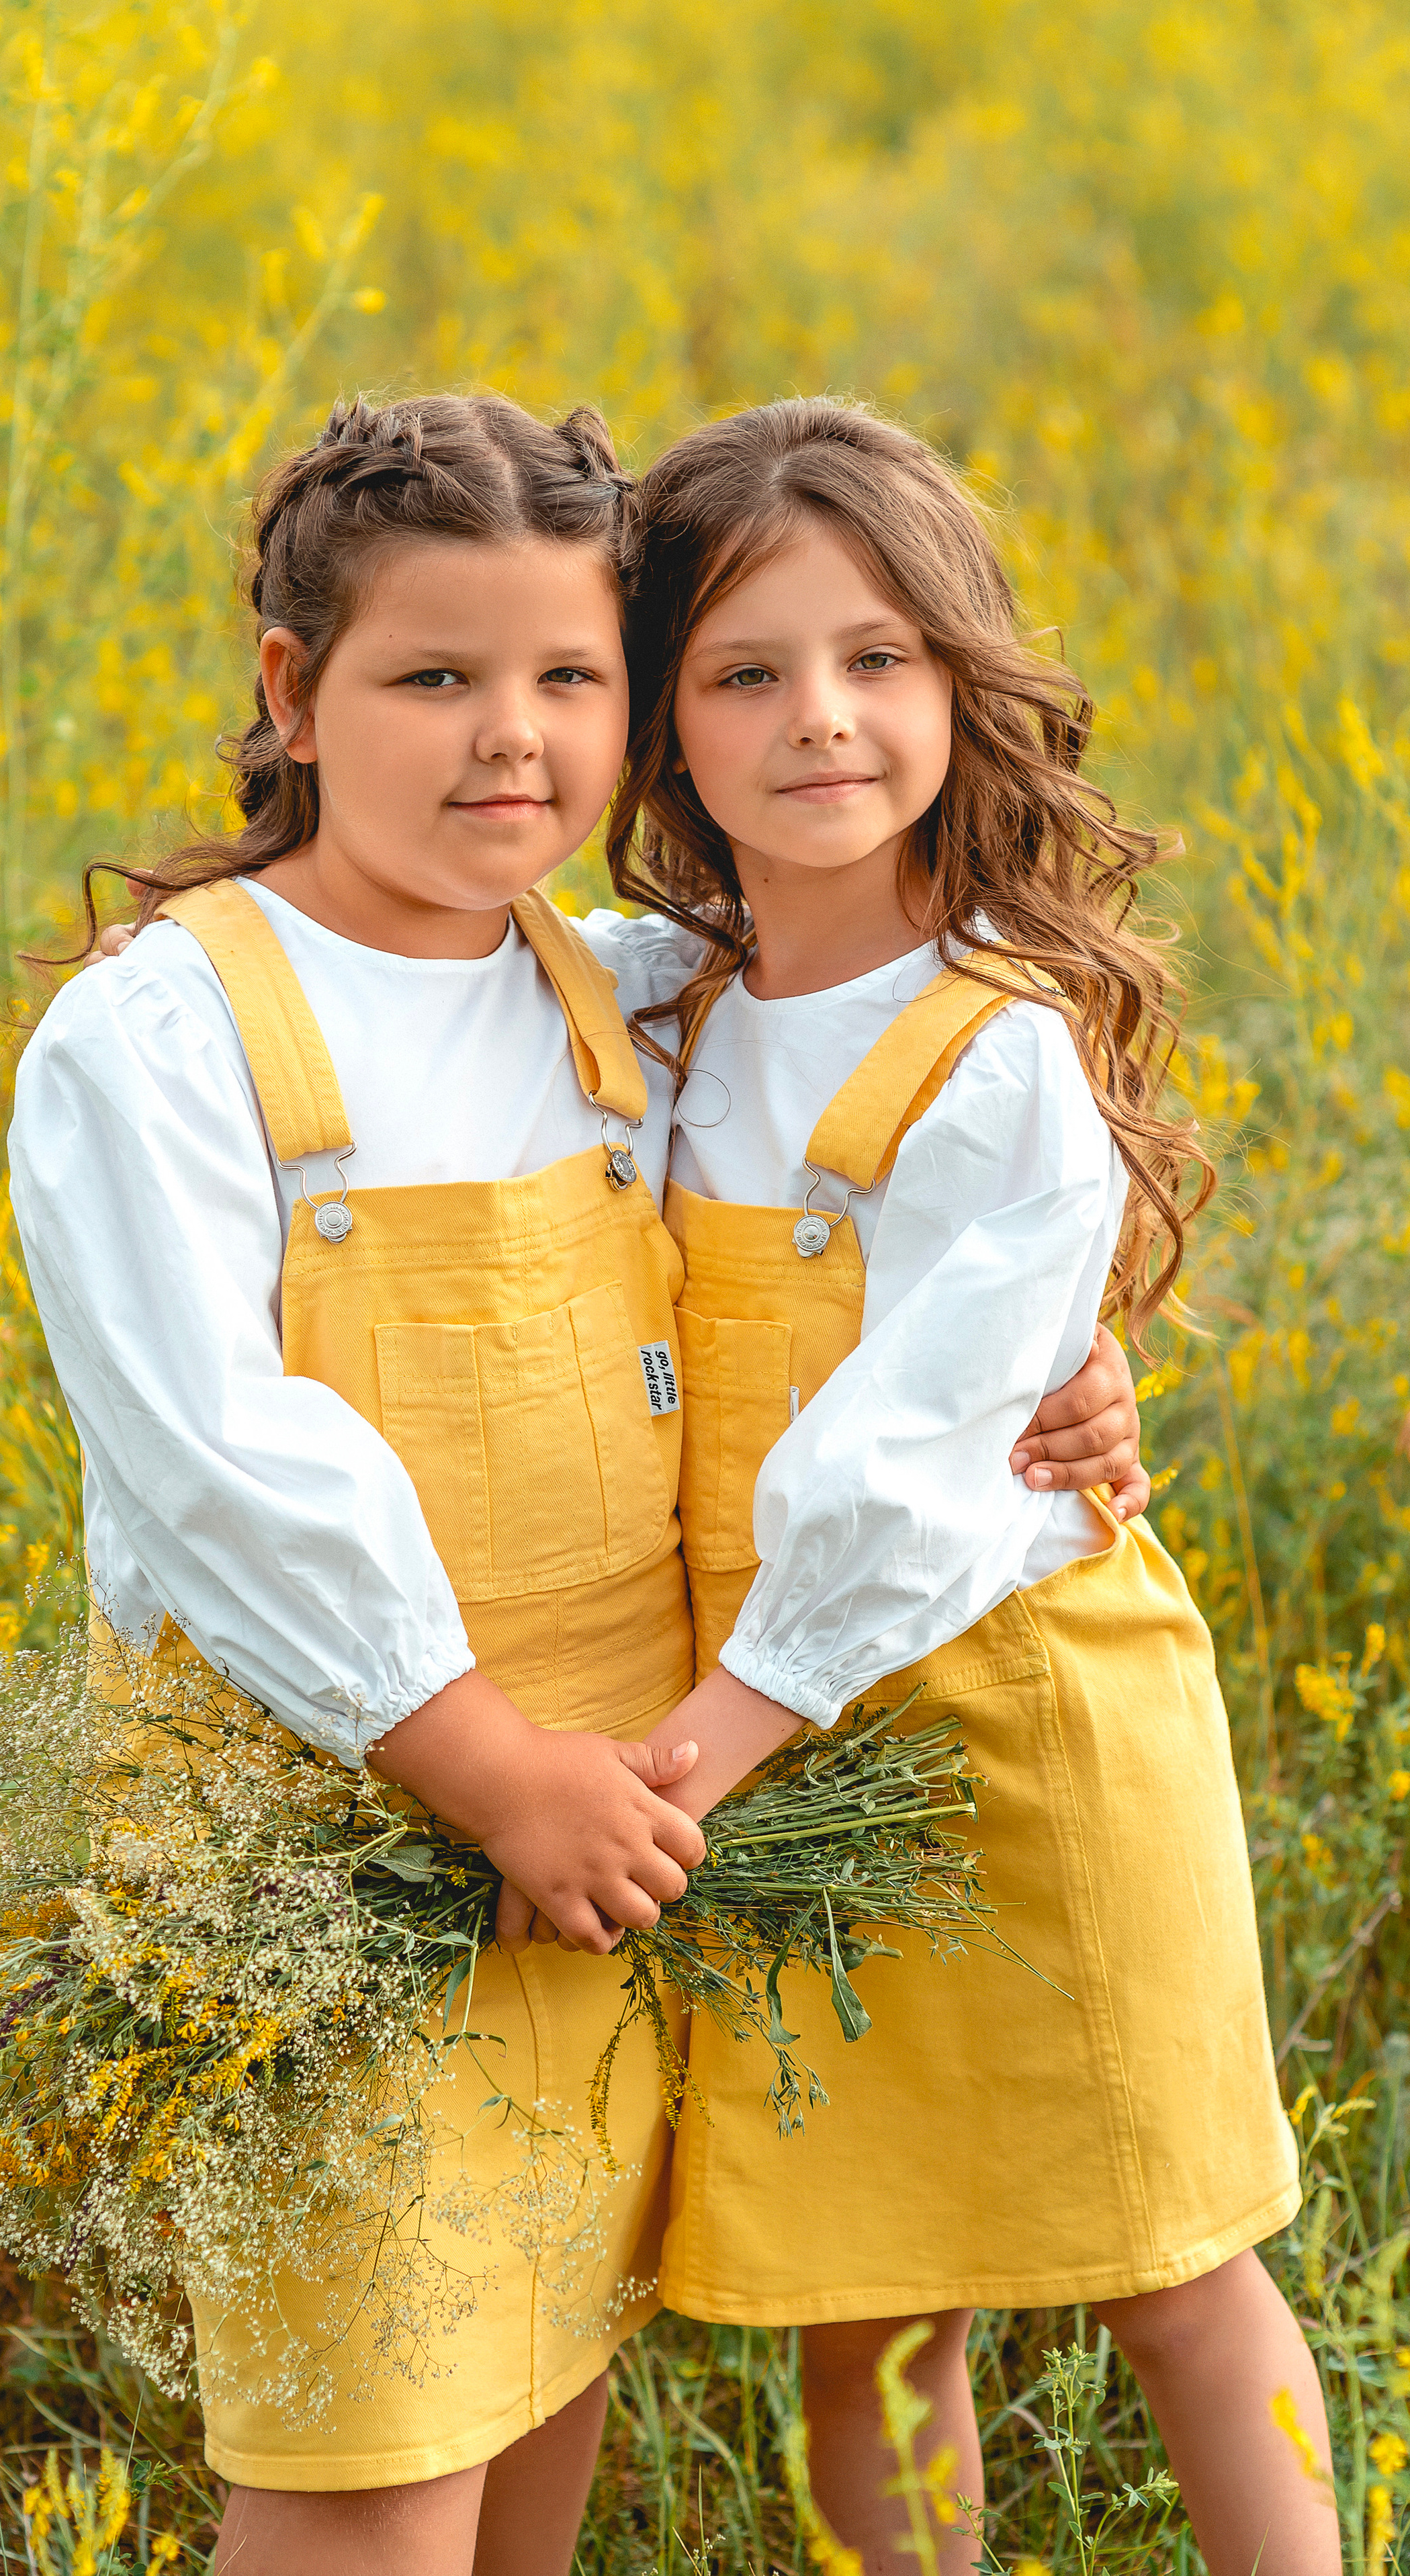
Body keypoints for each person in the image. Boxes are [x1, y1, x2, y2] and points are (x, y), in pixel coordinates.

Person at [50, 388, 1147, 2576]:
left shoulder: (626, 996)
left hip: (609, 1820)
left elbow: (859, 1171)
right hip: (346, 1821)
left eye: (568, 680)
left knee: (535, 2376)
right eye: (431, 679)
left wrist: (1066, 1361)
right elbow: (221, 1461)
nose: (508, 743)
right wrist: (477, 1763)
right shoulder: (171, 1034)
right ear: (293, 691)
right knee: (369, 2443)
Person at [599, 398, 1330, 2576]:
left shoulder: (996, 1045)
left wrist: (694, 1751)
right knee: (863, 2286)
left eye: (877, 658)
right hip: (772, 1740)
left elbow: (907, 1466)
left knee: (1175, 2255)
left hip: (1010, 1722)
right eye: (743, 671)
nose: (819, 716)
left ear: (960, 683)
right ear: (660, 724)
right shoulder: (648, 1011)